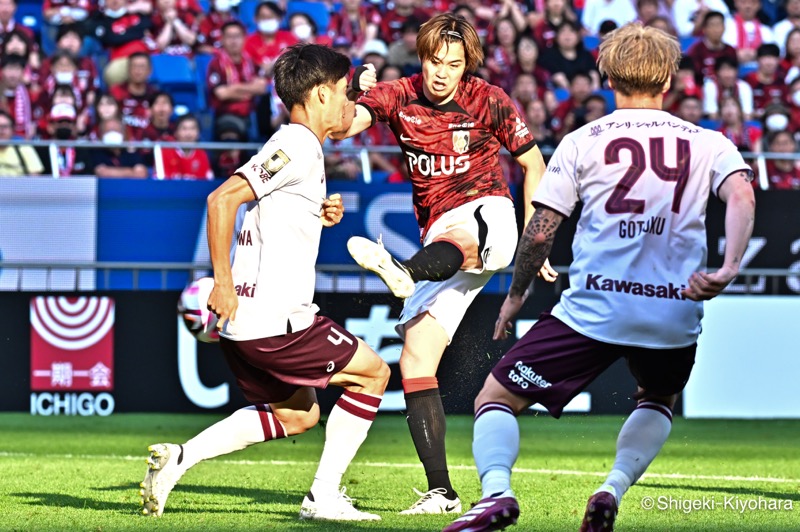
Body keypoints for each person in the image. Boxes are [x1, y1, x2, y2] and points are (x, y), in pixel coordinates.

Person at [444, 23, 756, 532]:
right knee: (657, 398)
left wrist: (517, 293)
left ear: (606, 75)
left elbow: (541, 232)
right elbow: (742, 196)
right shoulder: (708, 142)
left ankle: (497, 493)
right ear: (669, 79)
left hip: (593, 311)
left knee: (495, 399)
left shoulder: (582, 141)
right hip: (672, 314)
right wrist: (727, 268)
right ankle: (611, 487)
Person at [140, 43, 390, 521]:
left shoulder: (300, 147)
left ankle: (179, 459)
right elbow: (221, 200)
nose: (347, 104)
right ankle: (324, 496)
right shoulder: (295, 143)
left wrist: (319, 212)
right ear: (319, 95)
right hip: (275, 318)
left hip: (249, 325)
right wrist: (223, 283)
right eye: (341, 92)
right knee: (374, 374)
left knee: (300, 414)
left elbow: (271, 207)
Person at [336, 12, 554, 514]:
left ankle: (404, 271)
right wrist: (356, 89)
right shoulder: (397, 95)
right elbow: (343, 127)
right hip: (438, 239)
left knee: (464, 236)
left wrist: (535, 237)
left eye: (453, 64)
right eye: (435, 61)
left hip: (490, 213)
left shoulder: (489, 99)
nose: (442, 73)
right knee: (415, 359)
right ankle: (441, 492)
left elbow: (532, 163)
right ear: (422, 58)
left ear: (466, 65)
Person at [0, 109, 43, 176]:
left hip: (20, 186)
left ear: (13, 130)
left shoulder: (24, 148)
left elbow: (35, 180)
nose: (1, 131)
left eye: (5, 127)